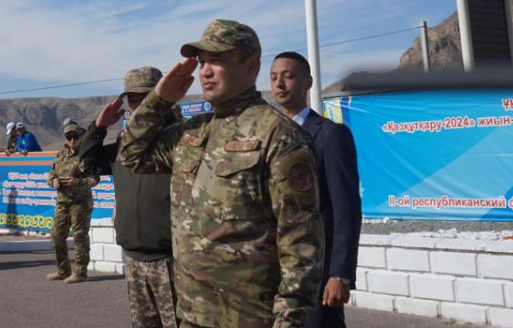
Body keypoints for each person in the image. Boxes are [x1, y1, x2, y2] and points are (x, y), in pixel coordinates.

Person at [119, 19, 324, 328]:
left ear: (251, 66)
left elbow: (300, 239)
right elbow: (130, 155)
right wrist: (159, 101)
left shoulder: (278, 135)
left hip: (250, 318)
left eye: (217, 60)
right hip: (189, 314)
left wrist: (290, 319)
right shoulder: (191, 132)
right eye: (202, 62)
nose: (205, 71)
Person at [80, 67, 178, 326]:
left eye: (146, 98)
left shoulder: (179, 138)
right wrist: (99, 127)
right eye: (132, 100)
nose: (137, 106)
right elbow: (88, 165)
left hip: (172, 260)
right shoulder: (126, 144)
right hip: (135, 259)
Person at [270, 52, 362, 328]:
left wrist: (340, 275)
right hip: (273, 275)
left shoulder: (331, 135)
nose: (280, 84)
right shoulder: (267, 138)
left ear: (308, 81)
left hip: (316, 276)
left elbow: (345, 209)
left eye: (288, 76)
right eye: (274, 78)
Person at [47, 120, 99, 283]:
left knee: (79, 236)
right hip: (62, 202)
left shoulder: (86, 154)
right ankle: (63, 270)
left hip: (80, 202)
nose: (72, 140)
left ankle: (80, 272)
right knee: (56, 235)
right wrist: (53, 181)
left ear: (80, 137)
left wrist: (75, 183)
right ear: (64, 138)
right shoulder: (60, 155)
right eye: (69, 137)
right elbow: (51, 173)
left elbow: (94, 179)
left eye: (75, 136)